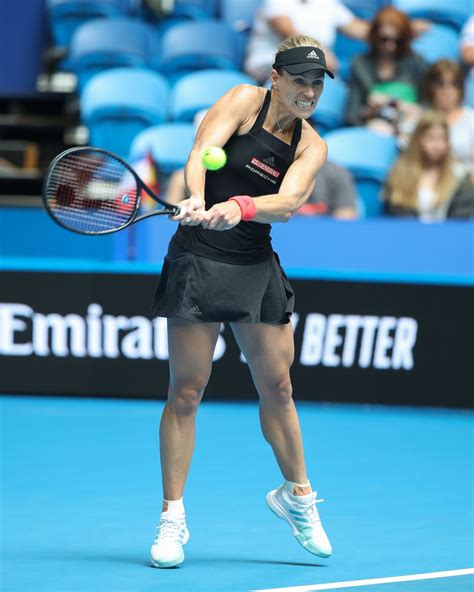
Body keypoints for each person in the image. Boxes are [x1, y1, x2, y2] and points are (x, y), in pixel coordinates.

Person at [150, 34, 334, 569]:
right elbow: (200, 153)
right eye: (301, 79)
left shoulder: (311, 145)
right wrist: (195, 198)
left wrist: (240, 206)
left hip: (253, 264)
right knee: (186, 391)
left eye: (317, 83)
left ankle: (297, 497)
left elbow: (291, 201)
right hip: (198, 257)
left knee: (278, 386)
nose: (309, 91)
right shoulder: (240, 100)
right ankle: (171, 518)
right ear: (275, 77)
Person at [346, 7, 427, 137]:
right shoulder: (360, 64)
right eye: (384, 39)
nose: (390, 46)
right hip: (375, 128)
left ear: (405, 39)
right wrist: (368, 111)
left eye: (397, 41)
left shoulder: (416, 62)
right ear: (374, 36)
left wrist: (395, 104)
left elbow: (428, 105)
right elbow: (352, 115)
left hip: (411, 127)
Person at [244, 0, 369, 83]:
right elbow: (288, 32)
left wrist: (385, 26)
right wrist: (320, 55)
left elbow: (358, 28)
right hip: (270, 66)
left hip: (316, 67)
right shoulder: (277, 2)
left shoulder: (327, 3)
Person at [382, 111, 472, 220]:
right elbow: (396, 210)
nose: (437, 145)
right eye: (431, 138)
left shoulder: (459, 176)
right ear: (417, 140)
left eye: (443, 139)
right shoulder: (399, 173)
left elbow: (461, 217)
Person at [422, 59, 474, 177]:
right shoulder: (420, 120)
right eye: (440, 83)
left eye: (454, 84)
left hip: (465, 186)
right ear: (430, 86)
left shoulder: (472, 120)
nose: (447, 90)